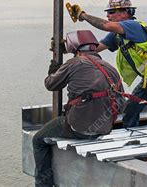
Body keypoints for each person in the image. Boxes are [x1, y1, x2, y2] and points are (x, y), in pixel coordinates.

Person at [67, 0, 147, 128]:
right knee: (129, 113)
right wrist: (67, 46)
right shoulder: (117, 35)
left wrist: (83, 15)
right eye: (108, 12)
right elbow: (93, 49)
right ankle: (133, 139)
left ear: (125, 13)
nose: (108, 15)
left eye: (112, 12)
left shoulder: (133, 26)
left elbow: (106, 25)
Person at [32, 30, 124, 187]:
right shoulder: (111, 69)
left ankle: (43, 184)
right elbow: (121, 104)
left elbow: (50, 84)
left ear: (74, 49)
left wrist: (53, 71)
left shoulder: (73, 63)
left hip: (77, 128)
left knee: (38, 140)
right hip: (103, 129)